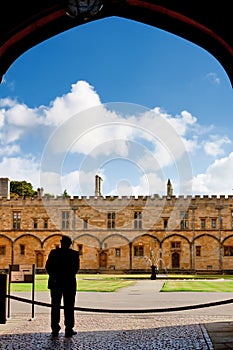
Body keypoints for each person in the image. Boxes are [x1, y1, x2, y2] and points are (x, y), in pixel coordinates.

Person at [46, 235, 80, 338]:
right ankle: (69, 329)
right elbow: (75, 269)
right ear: (70, 244)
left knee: (55, 306)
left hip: (56, 283)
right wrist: (66, 277)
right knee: (69, 306)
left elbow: (48, 267)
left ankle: (55, 329)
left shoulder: (54, 253)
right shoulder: (74, 254)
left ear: (61, 242)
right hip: (69, 283)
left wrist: (56, 277)